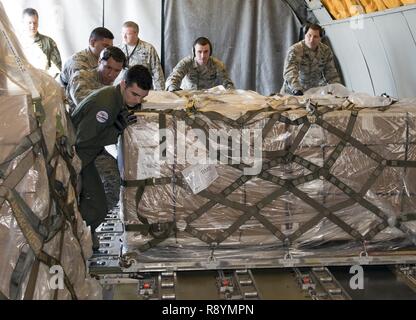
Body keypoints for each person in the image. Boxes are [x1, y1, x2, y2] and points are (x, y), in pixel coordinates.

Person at [71, 65, 152, 250]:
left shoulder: (116, 97)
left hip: (88, 154)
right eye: (134, 94)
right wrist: (116, 128)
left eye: (142, 97)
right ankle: (75, 237)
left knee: (100, 200)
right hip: (78, 157)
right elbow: (83, 140)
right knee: (98, 207)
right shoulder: (106, 105)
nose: (137, 100)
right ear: (123, 84)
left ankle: (82, 233)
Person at [281, 23, 341, 96]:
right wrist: (296, 89)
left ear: (320, 38)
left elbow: (331, 73)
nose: (311, 39)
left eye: (315, 37)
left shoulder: (325, 51)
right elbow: (290, 72)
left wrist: (337, 89)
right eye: (309, 35)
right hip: (292, 92)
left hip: (312, 93)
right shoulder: (295, 50)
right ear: (305, 35)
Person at [66, 46, 126, 113]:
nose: (111, 74)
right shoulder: (80, 77)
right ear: (99, 62)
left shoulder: (117, 84)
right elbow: (82, 102)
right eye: (108, 67)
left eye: (117, 71)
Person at [165, 37, 235, 91]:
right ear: (194, 52)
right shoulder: (186, 63)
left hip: (208, 99)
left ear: (210, 52)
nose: (203, 56)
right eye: (199, 52)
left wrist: (230, 93)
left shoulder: (217, 64)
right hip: (188, 98)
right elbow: (173, 77)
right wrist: (173, 89)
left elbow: (228, 83)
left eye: (206, 52)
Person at [117, 21, 165, 90]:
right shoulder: (118, 49)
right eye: (122, 33)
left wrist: (160, 94)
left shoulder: (148, 49)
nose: (124, 36)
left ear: (136, 34)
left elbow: (157, 73)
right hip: (122, 90)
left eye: (127, 34)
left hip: (142, 90)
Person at [21, 8, 62, 79]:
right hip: (25, 84)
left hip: (46, 84)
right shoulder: (18, 42)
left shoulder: (48, 42)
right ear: (23, 23)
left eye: (35, 22)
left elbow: (57, 67)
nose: (33, 26)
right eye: (29, 23)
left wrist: (48, 81)